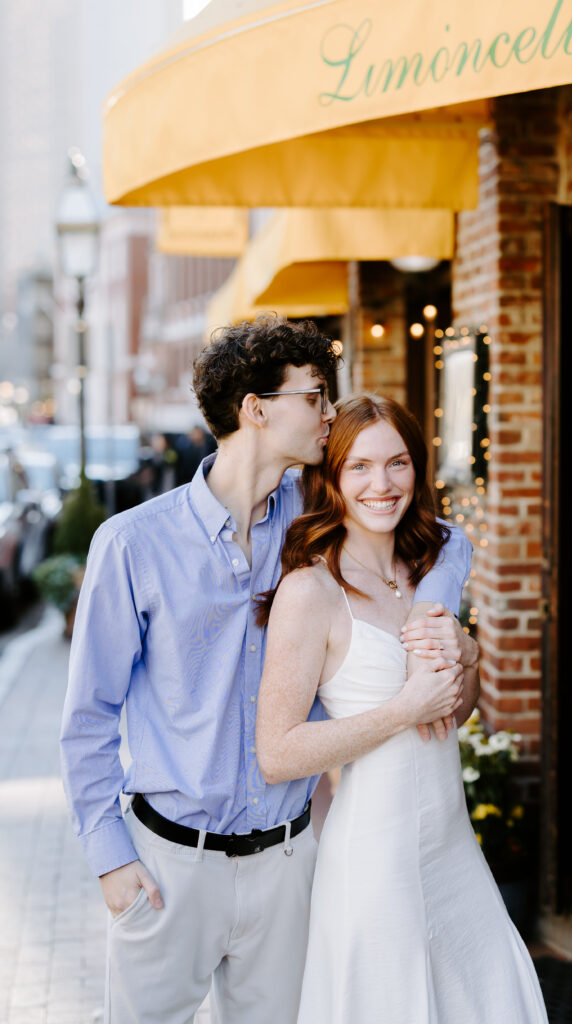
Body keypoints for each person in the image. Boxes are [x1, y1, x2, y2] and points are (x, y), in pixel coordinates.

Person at [59, 315, 476, 1024]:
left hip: (289, 864)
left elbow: (442, 536)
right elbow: (87, 719)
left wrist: (435, 619)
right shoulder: (131, 544)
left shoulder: (317, 519)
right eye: (314, 395)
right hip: (168, 868)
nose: (328, 413)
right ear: (256, 410)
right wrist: (110, 860)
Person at [256, 394, 549, 1024]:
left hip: (451, 847)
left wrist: (467, 655)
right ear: (331, 477)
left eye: (397, 463)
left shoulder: (426, 569)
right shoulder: (311, 590)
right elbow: (277, 754)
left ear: (418, 469)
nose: (381, 484)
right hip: (373, 859)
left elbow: (455, 712)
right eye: (359, 467)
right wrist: (402, 708)